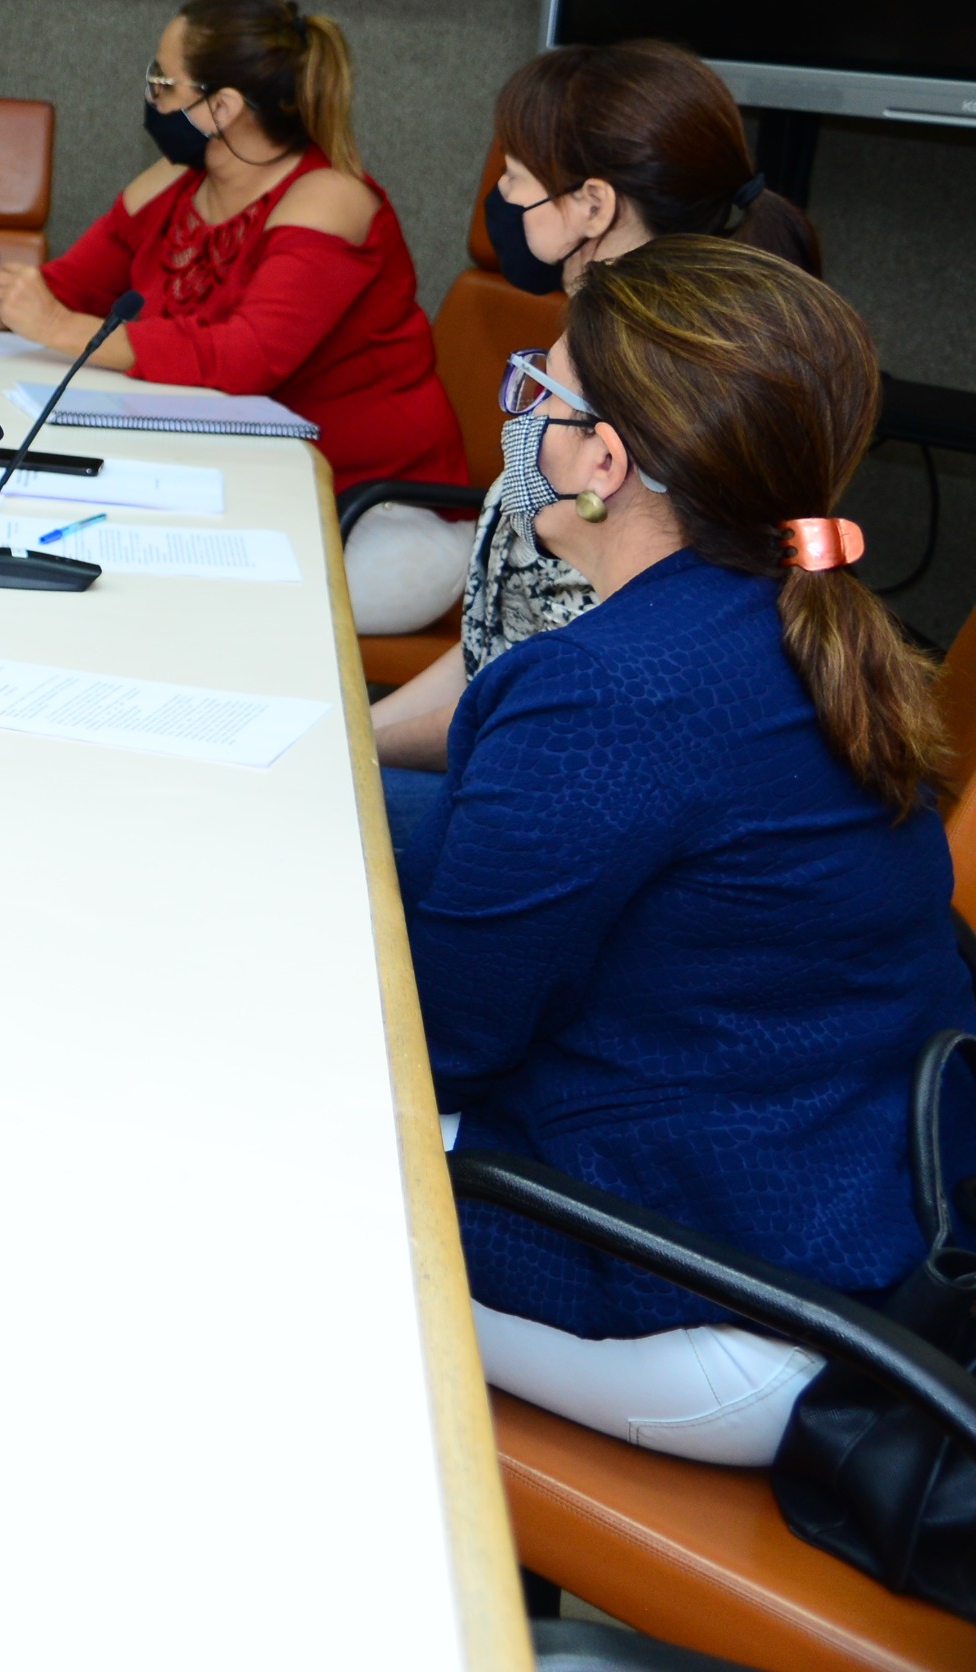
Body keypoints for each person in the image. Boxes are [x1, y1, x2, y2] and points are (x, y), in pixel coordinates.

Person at [407, 238, 964, 1464]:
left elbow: (441, 1047)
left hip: (719, 1296)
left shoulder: (607, 691)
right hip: (844, 1220)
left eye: (537, 393)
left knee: (235, 1167)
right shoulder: (800, 622)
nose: (519, 420)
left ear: (603, 461)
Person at [370, 41, 827, 850]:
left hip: (556, 790)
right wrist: (354, 730)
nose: (500, 195)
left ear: (590, 205)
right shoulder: (598, 350)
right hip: (514, 750)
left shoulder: (639, 397)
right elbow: (493, 645)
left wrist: (350, 748)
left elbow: (550, 716)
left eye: (515, 175)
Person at [0, 0, 465, 627]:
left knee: (178, 611)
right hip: (232, 485)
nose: (149, 96)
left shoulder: (330, 199)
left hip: (377, 513)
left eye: (162, 82)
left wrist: (54, 325)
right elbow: (71, 291)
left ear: (222, 107)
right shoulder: (170, 183)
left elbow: (245, 358)